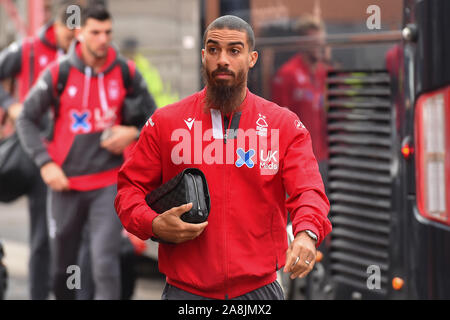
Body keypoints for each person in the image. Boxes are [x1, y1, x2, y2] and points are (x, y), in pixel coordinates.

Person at [115, 15, 332, 300]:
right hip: (186, 293)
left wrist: (306, 234)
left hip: (258, 292)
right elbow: (129, 190)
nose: (222, 60)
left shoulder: (283, 125)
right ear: (203, 55)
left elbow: (309, 191)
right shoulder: (165, 122)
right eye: (214, 50)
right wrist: (153, 223)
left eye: (234, 50)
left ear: (251, 58)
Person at [16, 5, 156, 300]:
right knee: (64, 270)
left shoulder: (125, 71)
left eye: (108, 32)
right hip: (65, 185)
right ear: (79, 33)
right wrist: (45, 164)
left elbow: (154, 118)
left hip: (107, 185)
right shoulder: (59, 73)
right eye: (95, 32)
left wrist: (133, 132)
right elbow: (26, 118)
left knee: (105, 263)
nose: (103, 39)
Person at [0, 1, 78, 300]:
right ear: (57, 25)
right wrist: (11, 105)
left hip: (75, 158)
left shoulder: (82, 54)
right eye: (69, 35)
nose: (74, 41)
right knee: (42, 239)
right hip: (39, 156)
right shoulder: (28, 50)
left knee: (73, 237)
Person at [271, 15, 330, 185]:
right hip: (299, 157)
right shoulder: (287, 74)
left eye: (321, 42)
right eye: (314, 42)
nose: (320, 47)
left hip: (325, 157)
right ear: (302, 43)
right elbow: (279, 122)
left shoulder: (325, 73)